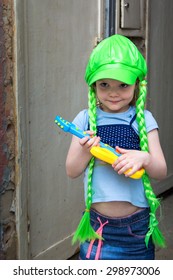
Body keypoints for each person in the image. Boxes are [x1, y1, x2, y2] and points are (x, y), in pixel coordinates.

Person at [65, 34, 167, 260]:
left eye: (123, 85)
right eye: (104, 84)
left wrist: (145, 159)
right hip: (97, 228)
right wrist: (85, 149)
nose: (113, 92)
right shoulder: (84, 120)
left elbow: (161, 172)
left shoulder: (143, 119)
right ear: (93, 86)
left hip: (136, 230)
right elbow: (71, 171)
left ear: (137, 84)